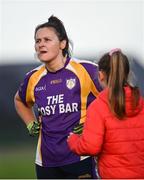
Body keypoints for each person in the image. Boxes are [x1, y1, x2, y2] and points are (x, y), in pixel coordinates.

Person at [14, 15, 102, 179]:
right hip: (46, 162)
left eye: (47, 39)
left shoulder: (87, 70)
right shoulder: (33, 78)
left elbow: (112, 99)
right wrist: (30, 123)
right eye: (38, 41)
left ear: (63, 43)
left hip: (82, 156)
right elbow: (19, 100)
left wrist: (93, 125)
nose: (41, 44)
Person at [67, 48, 144, 179]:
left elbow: (91, 147)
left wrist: (73, 140)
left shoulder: (98, 107)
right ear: (126, 73)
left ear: (101, 75)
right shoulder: (141, 103)